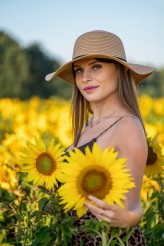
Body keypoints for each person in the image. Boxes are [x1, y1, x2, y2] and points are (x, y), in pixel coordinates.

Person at [46, 30, 155, 245]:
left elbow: (131, 208)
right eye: (79, 70)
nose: (85, 77)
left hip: (109, 240)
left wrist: (132, 215)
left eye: (96, 67)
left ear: (120, 71)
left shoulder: (127, 126)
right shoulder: (89, 124)